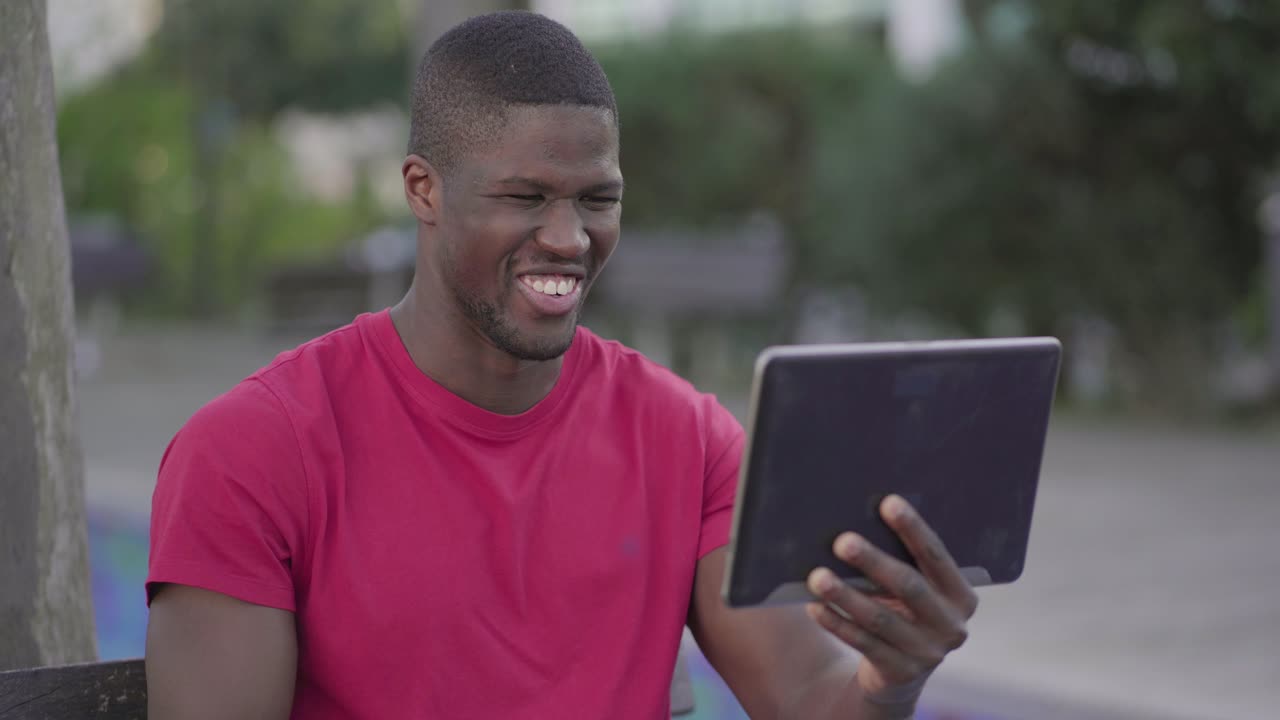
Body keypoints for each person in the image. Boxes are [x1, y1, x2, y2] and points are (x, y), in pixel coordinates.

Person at [144, 11, 977, 720]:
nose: (570, 238)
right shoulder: (255, 452)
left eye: (598, 199)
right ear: (423, 189)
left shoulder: (686, 437)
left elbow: (812, 698)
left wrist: (890, 678)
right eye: (525, 197)